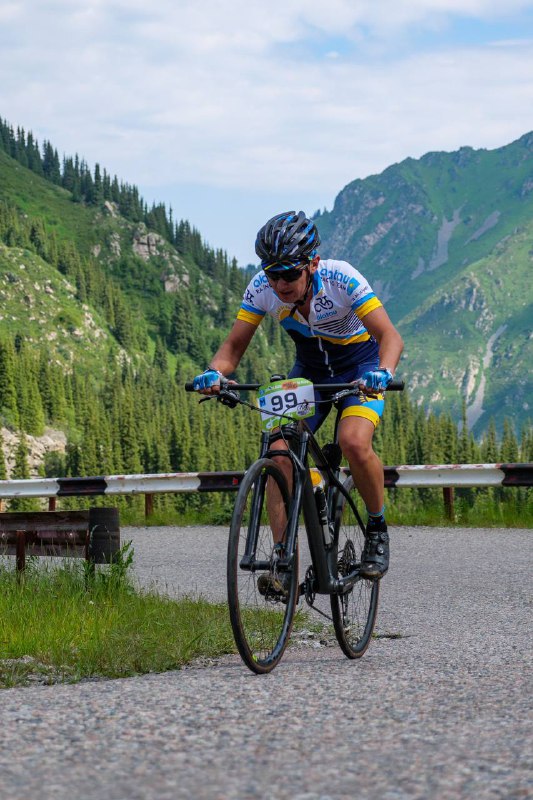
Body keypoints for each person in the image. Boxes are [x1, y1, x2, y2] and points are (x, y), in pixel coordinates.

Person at [192, 210, 403, 581]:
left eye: (290, 272)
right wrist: (215, 373)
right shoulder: (262, 289)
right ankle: (282, 558)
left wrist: (382, 373)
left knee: (352, 442)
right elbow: (233, 347)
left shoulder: (342, 279)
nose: (281, 283)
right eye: (273, 273)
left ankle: (377, 528)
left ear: (312, 264)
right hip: (308, 372)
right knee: (277, 452)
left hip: (360, 371)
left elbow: (391, 338)